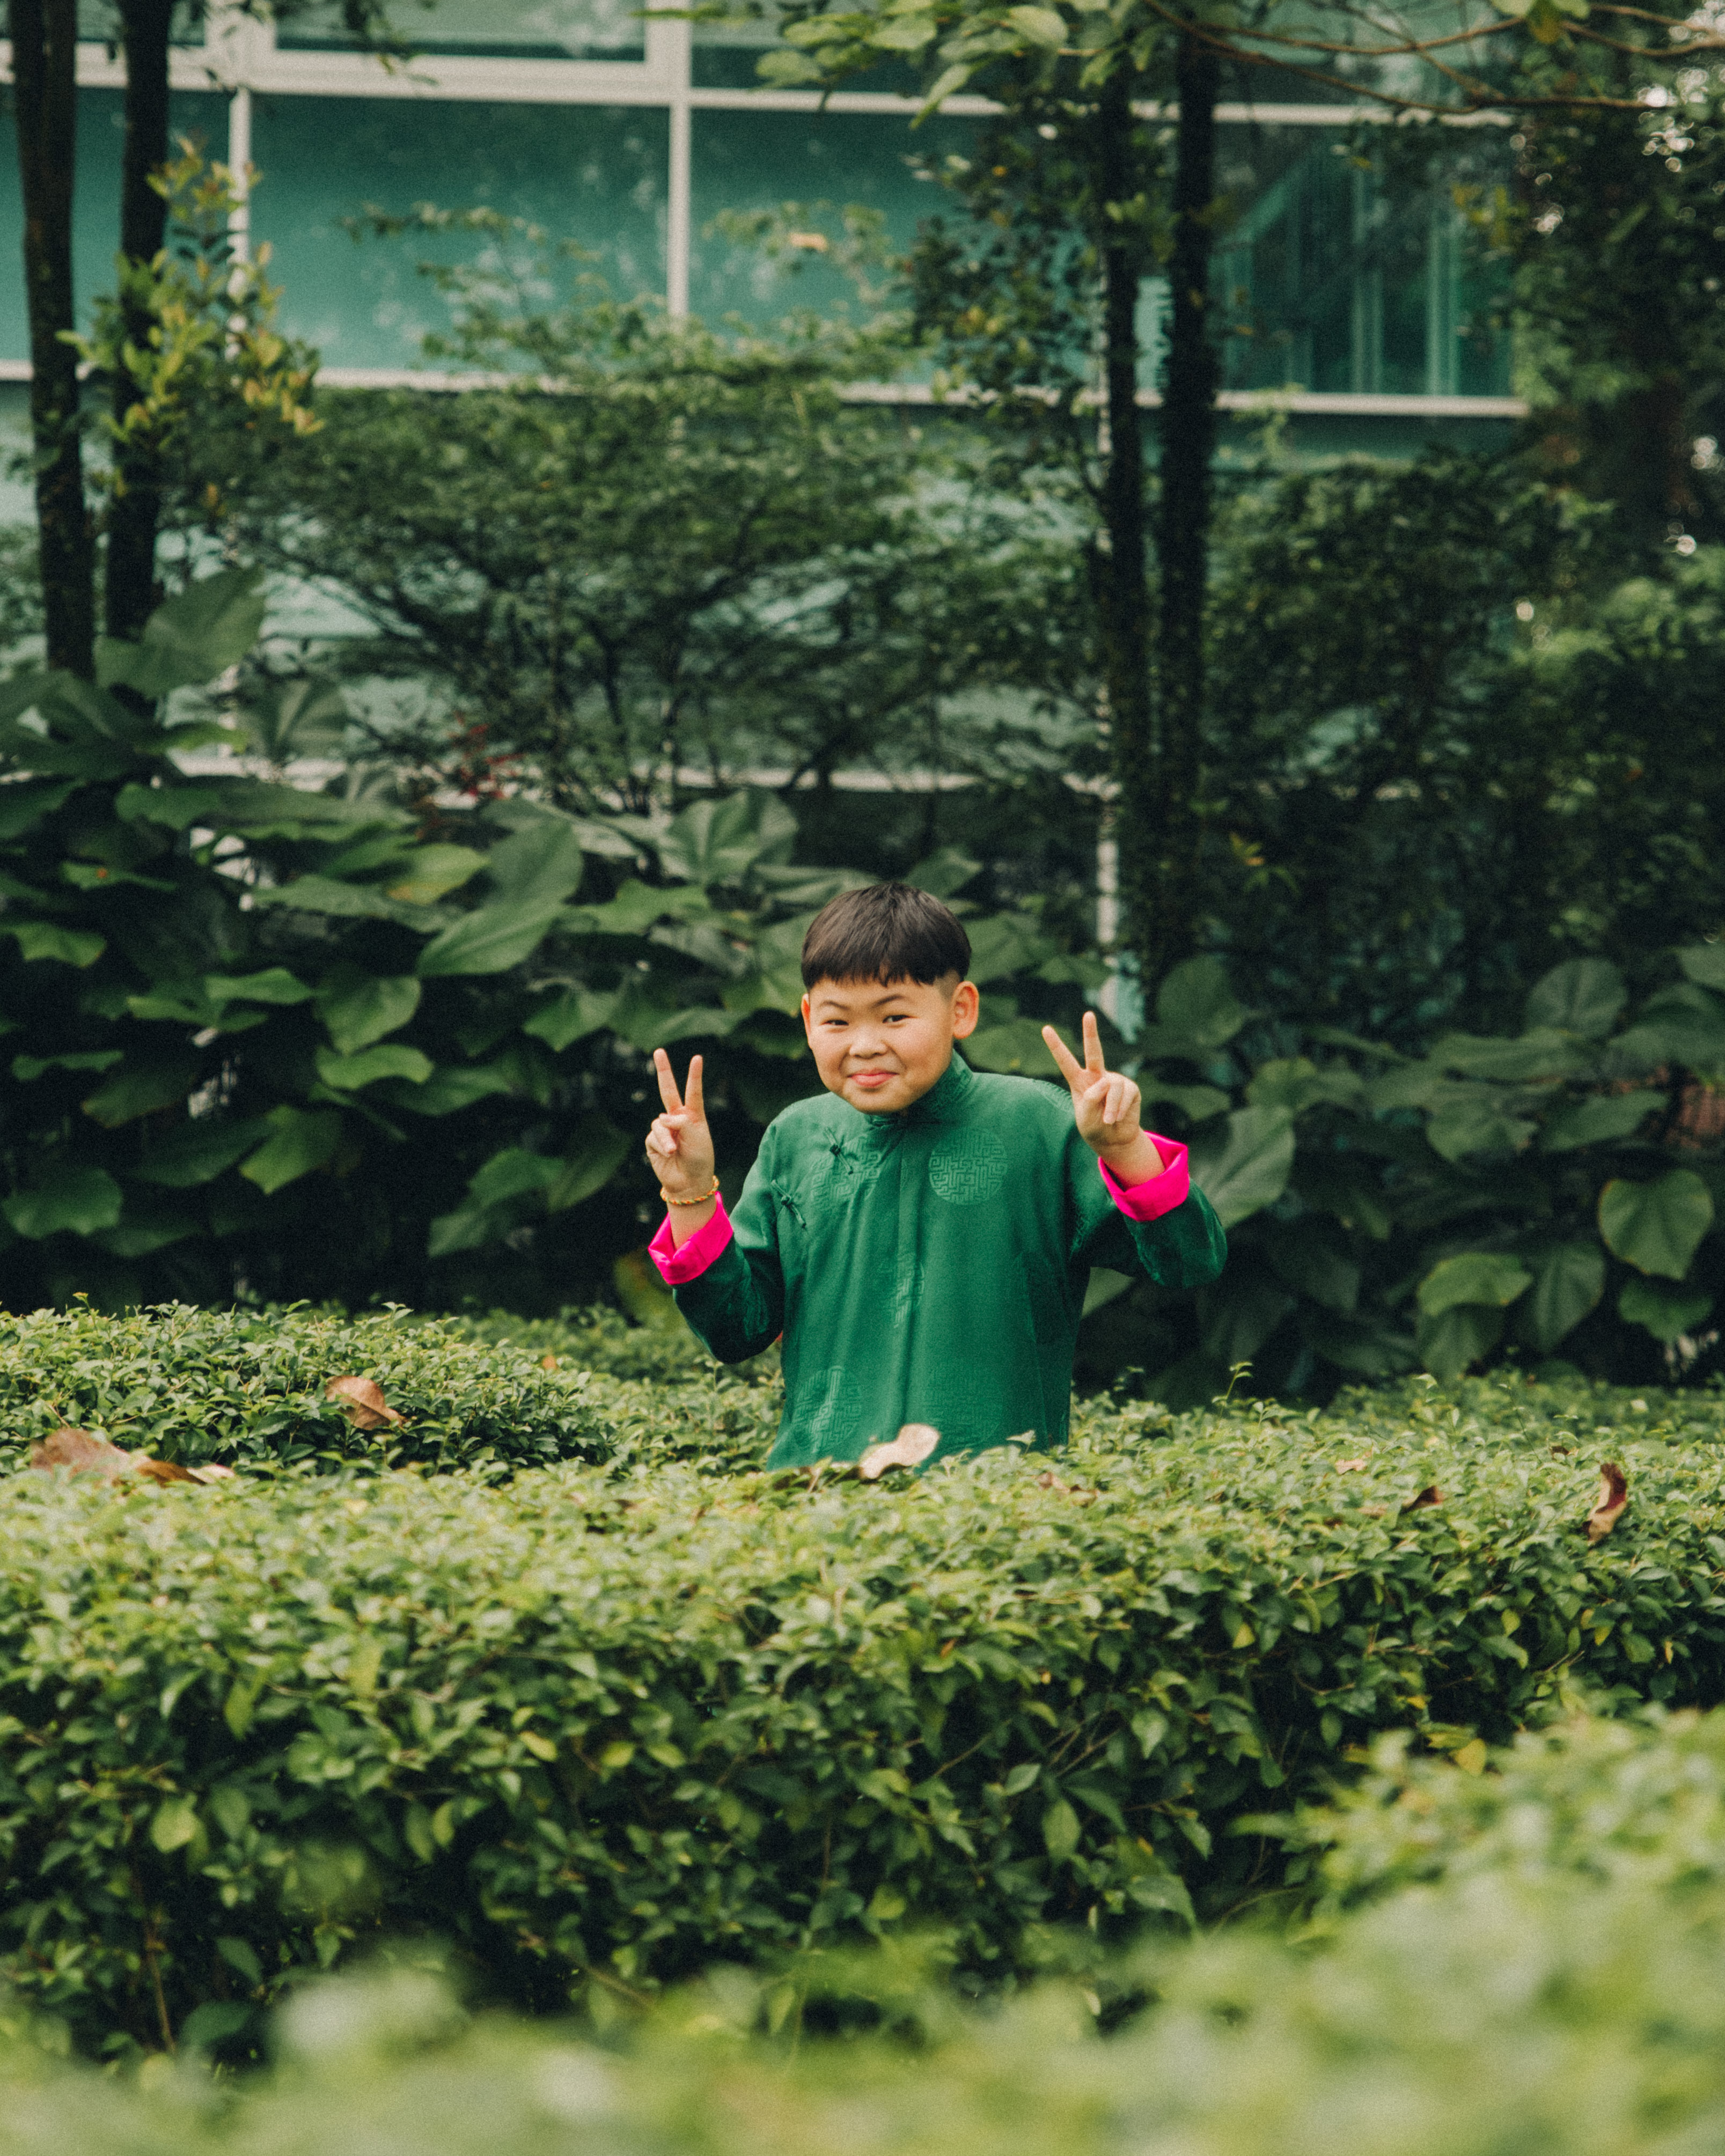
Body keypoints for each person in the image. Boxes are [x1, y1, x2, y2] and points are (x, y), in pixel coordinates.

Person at [643, 881, 1225, 1468]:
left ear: (960, 1009)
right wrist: (688, 1191)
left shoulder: (1039, 1124)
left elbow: (1187, 1261)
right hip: (813, 1504)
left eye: (894, 1015)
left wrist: (1124, 1148)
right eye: (837, 1021)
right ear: (806, 1018)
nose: (864, 1045)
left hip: (990, 1507)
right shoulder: (796, 1137)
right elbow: (736, 1330)